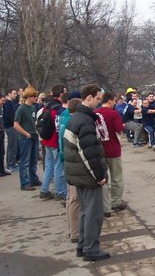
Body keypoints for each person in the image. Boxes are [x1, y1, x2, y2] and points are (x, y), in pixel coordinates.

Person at [63, 84, 110, 262]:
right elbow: (89, 153)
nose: (99, 102)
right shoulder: (85, 121)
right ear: (89, 97)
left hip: (78, 175)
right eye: (97, 98)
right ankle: (91, 248)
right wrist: (99, 176)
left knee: (85, 212)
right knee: (93, 213)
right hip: (87, 175)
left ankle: (83, 245)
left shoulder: (75, 118)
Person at [95, 91, 126, 217]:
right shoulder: (113, 114)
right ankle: (116, 202)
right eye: (114, 100)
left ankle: (105, 205)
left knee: (103, 179)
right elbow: (119, 130)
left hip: (99, 149)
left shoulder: (94, 113)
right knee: (116, 177)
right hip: (113, 149)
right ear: (109, 101)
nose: (114, 103)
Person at [59, 96, 82, 244]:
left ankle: (73, 230)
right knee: (74, 198)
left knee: (71, 198)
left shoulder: (63, 118)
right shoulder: (70, 122)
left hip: (66, 161)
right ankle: (75, 233)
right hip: (71, 163)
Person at [39, 84, 67, 201]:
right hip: (55, 141)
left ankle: (44, 190)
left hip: (46, 140)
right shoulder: (58, 108)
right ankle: (60, 192)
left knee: (49, 166)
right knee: (58, 167)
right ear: (61, 94)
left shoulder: (47, 106)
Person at [13, 85, 41, 191]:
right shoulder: (21, 109)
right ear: (29, 97)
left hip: (33, 136)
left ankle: (33, 179)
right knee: (25, 161)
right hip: (25, 138)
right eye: (34, 96)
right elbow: (15, 124)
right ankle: (24, 182)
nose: (35, 98)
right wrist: (25, 133)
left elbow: (33, 122)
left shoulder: (33, 108)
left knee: (33, 160)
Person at [3, 89, 19, 173]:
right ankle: (11, 164)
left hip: (11, 126)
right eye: (14, 93)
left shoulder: (11, 103)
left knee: (12, 146)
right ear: (9, 94)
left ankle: (11, 163)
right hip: (10, 126)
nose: (15, 95)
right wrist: (13, 123)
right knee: (12, 146)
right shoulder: (7, 104)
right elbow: (8, 116)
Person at [0, 94, 9, 177]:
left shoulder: (1, 108)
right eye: (2, 101)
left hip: (2, 132)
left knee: (2, 152)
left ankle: (2, 169)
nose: (3, 103)